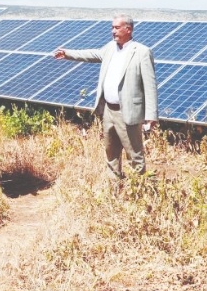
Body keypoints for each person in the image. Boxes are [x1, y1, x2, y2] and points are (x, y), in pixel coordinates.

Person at [54, 14, 158, 178]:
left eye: (117, 28)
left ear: (128, 29)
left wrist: (151, 115)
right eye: (112, 27)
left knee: (135, 156)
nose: (113, 31)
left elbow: (150, 85)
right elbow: (92, 54)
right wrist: (67, 53)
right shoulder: (110, 48)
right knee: (111, 153)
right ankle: (114, 188)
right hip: (108, 111)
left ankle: (141, 190)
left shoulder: (142, 52)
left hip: (128, 113)